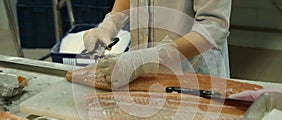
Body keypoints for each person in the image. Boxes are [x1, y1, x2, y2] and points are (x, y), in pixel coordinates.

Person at [83, 0, 232, 88]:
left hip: (191, 76)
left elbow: (213, 28)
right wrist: (111, 23)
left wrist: (150, 59)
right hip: (140, 77)